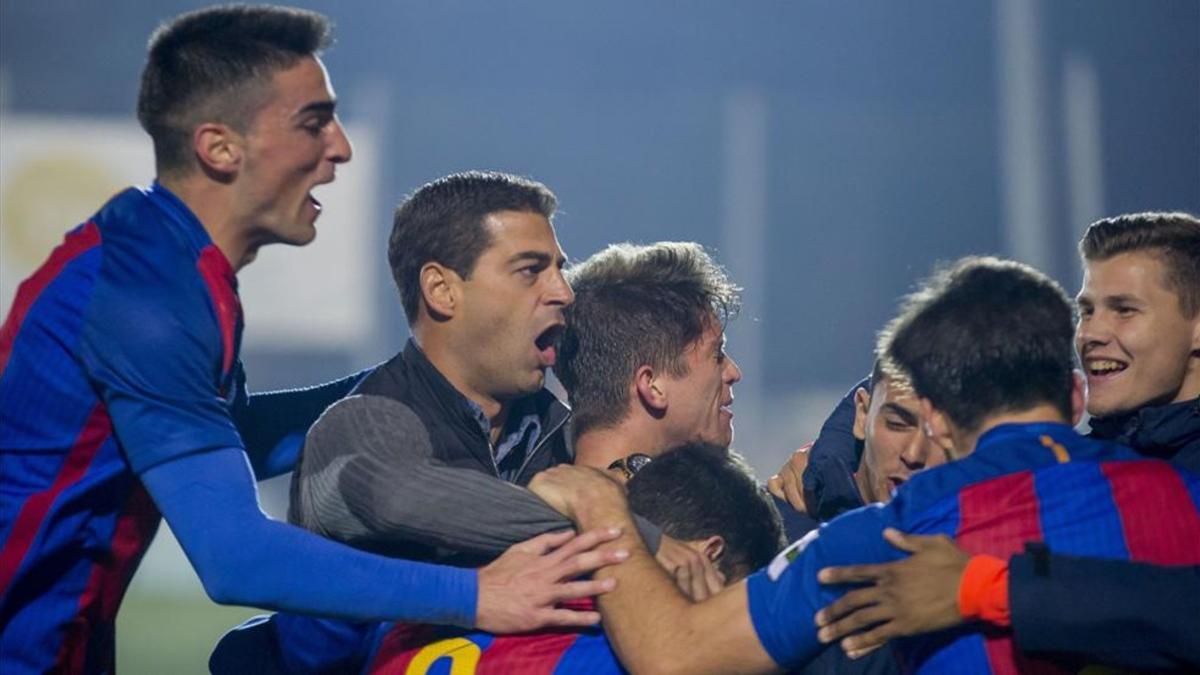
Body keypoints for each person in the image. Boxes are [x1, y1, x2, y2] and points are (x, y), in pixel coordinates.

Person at [0, 8, 615, 673]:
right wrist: (476, 594)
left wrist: (431, 375)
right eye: (314, 122)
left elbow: (223, 438)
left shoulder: (169, 261)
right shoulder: (145, 297)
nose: (341, 147)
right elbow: (234, 556)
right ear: (220, 147)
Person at [527, 256, 1200, 674]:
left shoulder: (877, 543)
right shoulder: (1185, 496)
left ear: (935, 414)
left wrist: (603, 508)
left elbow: (673, 656)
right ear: (1076, 393)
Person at [814, 211, 1200, 670]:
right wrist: (837, 467)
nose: (1091, 334)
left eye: (1124, 310)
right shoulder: (1079, 460)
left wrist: (990, 589)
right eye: (1087, 311)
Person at [289, 240, 743, 581]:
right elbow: (400, 500)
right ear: (652, 384)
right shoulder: (508, 505)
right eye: (718, 354)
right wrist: (619, 524)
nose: (733, 373)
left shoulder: (543, 452)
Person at [211, 446, 785, 673]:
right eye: (733, 592)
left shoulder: (438, 588)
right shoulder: (629, 658)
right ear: (708, 557)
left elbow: (241, 656)